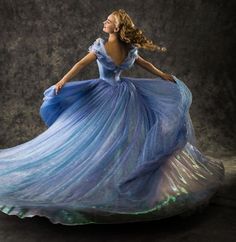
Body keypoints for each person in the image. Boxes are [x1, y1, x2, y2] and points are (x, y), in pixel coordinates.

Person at [0, 9, 224, 226]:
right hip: (117, 93)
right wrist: (62, 81)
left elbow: (143, 65)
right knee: (100, 137)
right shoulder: (111, 47)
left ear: (117, 27)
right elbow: (85, 64)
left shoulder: (118, 48)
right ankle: (101, 173)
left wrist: (164, 76)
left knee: (124, 136)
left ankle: (120, 176)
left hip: (119, 95)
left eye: (109, 20)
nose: (104, 22)